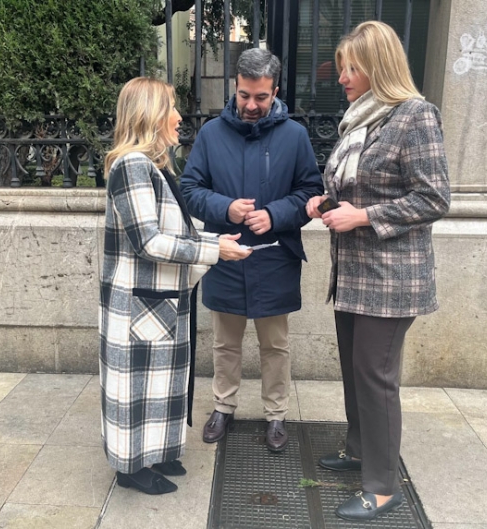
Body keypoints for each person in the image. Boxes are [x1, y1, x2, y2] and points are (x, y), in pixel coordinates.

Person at [305, 21, 450, 520]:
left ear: (379, 67)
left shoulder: (415, 115)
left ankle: (383, 487)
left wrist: (364, 216)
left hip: (391, 279)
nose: (341, 76)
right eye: (342, 66)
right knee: (354, 369)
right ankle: (359, 451)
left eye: (352, 67)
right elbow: (359, 188)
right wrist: (324, 203)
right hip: (352, 272)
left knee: (375, 376)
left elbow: (434, 197)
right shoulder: (360, 121)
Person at [99, 77, 251, 496]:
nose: (180, 117)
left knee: (163, 383)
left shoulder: (155, 167)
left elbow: (176, 230)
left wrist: (214, 243)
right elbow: (148, 241)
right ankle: (129, 467)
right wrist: (213, 251)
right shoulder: (131, 166)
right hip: (137, 301)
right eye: (171, 107)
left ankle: (160, 452)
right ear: (149, 114)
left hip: (159, 298)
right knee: (136, 387)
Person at [180, 48, 324, 452]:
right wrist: (225, 207)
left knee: (275, 345)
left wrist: (275, 215)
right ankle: (223, 406)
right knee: (225, 343)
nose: (251, 105)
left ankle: (276, 414)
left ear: (275, 91)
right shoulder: (211, 133)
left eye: (260, 97)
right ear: (236, 87)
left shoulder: (294, 136)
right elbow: (189, 190)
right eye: (244, 95)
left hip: (275, 257)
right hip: (224, 255)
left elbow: (311, 192)